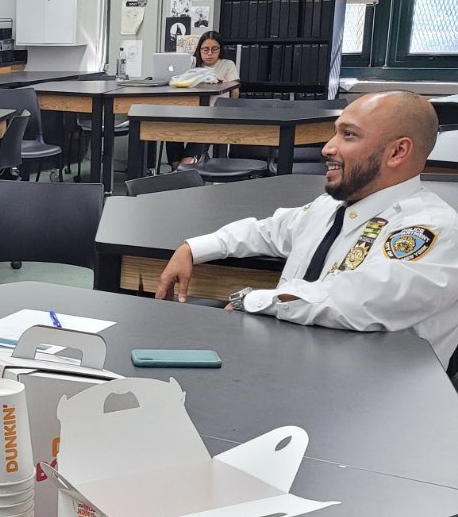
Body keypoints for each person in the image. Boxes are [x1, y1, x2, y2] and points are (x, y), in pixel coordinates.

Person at [155, 91, 458, 367]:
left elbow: (358, 299)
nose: (327, 148)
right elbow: (270, 231)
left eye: (349, 135)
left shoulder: (433, 229)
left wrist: (254, 300)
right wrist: (195, 248)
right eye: (335, 133)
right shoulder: (331, 208)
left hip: (373, 393)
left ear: (397, 152)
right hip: (292, 366)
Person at [168, 31, 241, 166]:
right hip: (190, 113)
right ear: (199, 50)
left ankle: (184, 167)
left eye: (214, 49)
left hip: (213, 115)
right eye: (205, 49)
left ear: (220, 50)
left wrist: (222, 83)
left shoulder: (227, 65)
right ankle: (178, 169)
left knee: (201, 131)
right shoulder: (193, 65)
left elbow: (235, 93)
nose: (209, 53)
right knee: (171, 128)